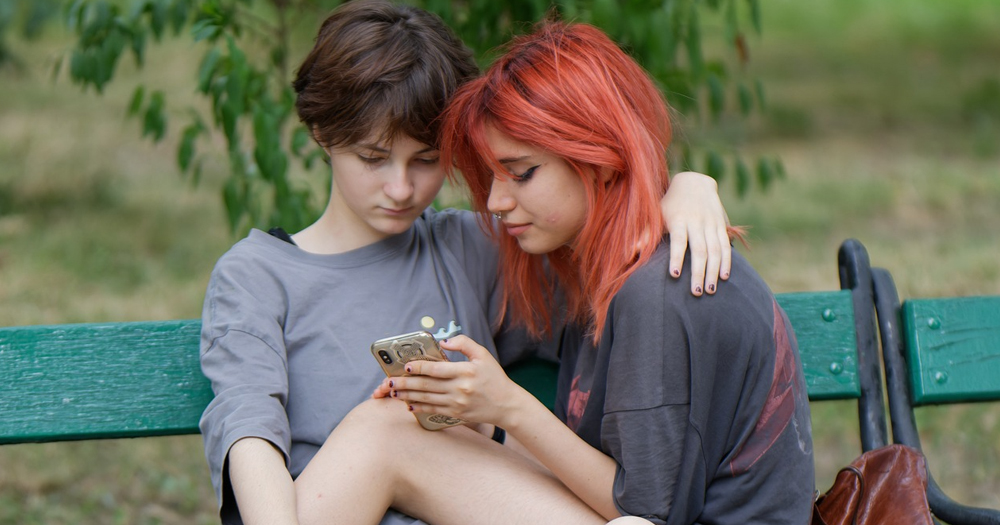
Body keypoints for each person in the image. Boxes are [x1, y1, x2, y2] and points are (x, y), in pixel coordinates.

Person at [198, 2, 734, 525]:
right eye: (372, 158)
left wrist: (681, 188)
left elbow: (609, 283)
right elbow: (249, 428)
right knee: (387, 426)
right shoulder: (258, 274)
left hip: (469, 503)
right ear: (322, 135)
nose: (401, 188)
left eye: (427, 161)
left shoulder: (472, 246)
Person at [294, 20, 814, 525]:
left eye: (521, 173)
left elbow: (645, 512)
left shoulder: (658, 288)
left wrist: (508, 406)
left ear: (600, 157)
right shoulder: (600, 269)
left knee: (386, 437)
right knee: (395, 429)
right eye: (492, 177)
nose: (496, 202)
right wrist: (473, 408)